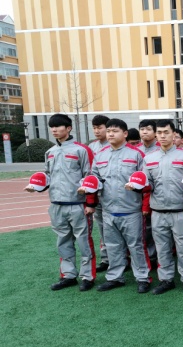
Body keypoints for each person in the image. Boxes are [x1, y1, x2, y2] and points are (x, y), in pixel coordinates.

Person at [25, 113, 97, 291]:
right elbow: (48, 177)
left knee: (84, 242)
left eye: (58, 126)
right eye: (52, 127)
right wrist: (37, 186)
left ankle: (87, 276)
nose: (54, 130)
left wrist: (90, 203)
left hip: (78, 205)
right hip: (56, 205)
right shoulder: (50, 152)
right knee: (63, 242)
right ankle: (68, 275)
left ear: (69, 128)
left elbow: (90, 177)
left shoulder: (81, 150)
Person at [89, 119, 152, 293]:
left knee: (136, 246)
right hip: (108, 210)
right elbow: (94, 179)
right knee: (112, 245)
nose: (110, 134)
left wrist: (144, 205)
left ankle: (143, 278)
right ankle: (115, 277)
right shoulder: (100, 155)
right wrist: (90, 197)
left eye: (115, 131)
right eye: (108, 131)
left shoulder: (137, 154)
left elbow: (147, 182)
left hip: (131, 210)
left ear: (125, 134)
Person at [143, 119, 183, 296]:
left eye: (166, 132)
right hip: (158, 211)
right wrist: (139, 186)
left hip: (181, 210)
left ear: (174, 134)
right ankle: (166, 279)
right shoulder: (148, 158)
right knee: (162, 248)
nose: (162, 136)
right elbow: (147, 184)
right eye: (159, 133)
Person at [88, 115, 111, 273]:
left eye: (100, 127)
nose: (97, 131)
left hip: (116, 196)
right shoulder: (92, 147)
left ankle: (124, 258)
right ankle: (106, 259)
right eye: (94, 128)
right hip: (99, 196)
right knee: (103, 229)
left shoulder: (114, 144)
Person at [137, 119, 159, 266]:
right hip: (135, 197)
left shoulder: (160, 150)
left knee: (153, 231)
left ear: (155, 132)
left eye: (148, 129)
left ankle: (153, 258)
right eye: (142, 129)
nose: (144, 132)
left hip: (154, 197)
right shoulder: (136, 151)